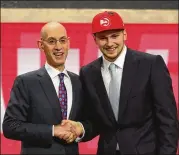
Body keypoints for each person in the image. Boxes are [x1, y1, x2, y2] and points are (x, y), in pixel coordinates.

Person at [63, 11, 179, 155]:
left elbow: (167, 119)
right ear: (95, 39)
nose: (110, 43)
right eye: (103, 38)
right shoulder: (88, 73)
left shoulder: (150, 64)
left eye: (114, 36)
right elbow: (96, 121)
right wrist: (81, 128)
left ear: (125, 34)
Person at [2, 22, 84, 155]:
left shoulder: (79, 82)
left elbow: (91, 122)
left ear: (68, 43)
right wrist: (52, 130)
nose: (58, 47)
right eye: (51, 41)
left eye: (62, 41)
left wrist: (80, 129)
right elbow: (10, 126)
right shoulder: (26, 82)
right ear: (41, 45)